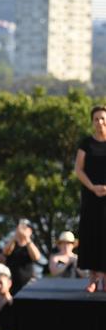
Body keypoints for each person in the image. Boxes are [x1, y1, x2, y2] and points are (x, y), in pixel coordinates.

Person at [75, 105, 106, 292]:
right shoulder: (85, 143)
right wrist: (93, 187)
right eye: (97, 119)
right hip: (91, 197)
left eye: (103, 118)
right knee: (92, 234)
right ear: (92, 122)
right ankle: (93, 278)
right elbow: (78, 169)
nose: (100, 122)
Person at [3, 219, 41, 295]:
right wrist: (15, 237)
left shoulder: (31, 245)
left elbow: (36, 257)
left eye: (25, 228)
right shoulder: (12, 244)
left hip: (28, 285)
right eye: (21, 228)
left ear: (30, 231)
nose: (22, 230)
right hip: (12, 285)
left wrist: (27, 238)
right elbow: (6, 252)